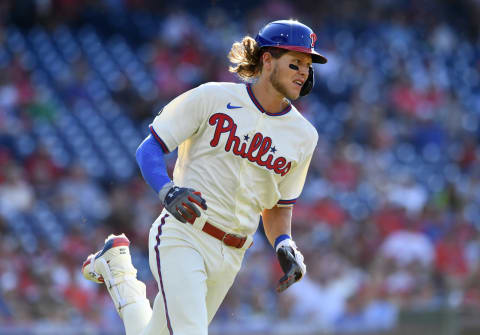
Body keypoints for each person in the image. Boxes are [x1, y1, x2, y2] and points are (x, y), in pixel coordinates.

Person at [81, 19, 327, 335]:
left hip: (233, 253)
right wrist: (167, 190)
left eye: (308, 65)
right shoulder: (212, 97)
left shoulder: (304, 135)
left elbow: (279, 204)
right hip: (185, 234)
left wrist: (283, 242)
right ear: (267, 60)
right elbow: (150, 148)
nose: (303, 72)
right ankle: (117, 269)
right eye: (295, 63)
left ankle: (117, 270)